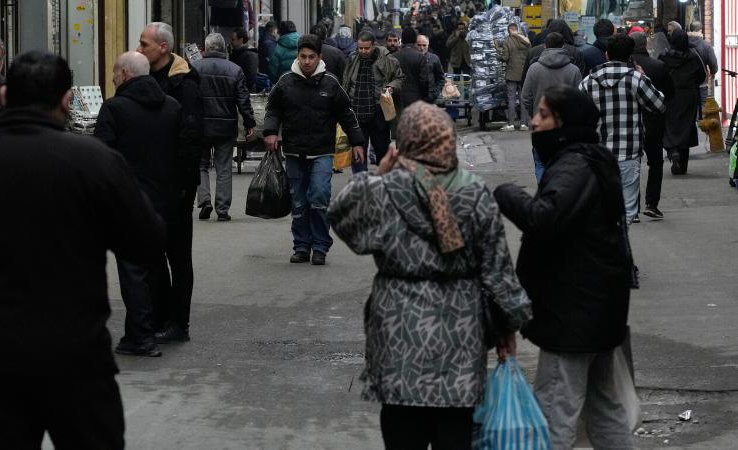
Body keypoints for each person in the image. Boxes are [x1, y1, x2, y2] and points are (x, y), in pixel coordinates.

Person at [0, 50, 165, 449]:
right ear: (66, 100)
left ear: (5, 95)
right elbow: (148, 240)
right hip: (76, 348)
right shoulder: (95, 161)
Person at [329, 101, 532, 450]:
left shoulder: (385, 189)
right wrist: (508, 329)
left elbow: (343, 219)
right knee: (454, 430)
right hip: (461, 328)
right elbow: (497, 270)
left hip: (397, 327)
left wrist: (378, 173)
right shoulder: (473, 192)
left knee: (401, 426)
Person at [493, 85, 635, 450]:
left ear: (564, 121)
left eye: (542, 114)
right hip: (598, 309)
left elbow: (544, 218)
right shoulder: (590, 158)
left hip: (574, 314)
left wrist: (507, 193)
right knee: (606, 411)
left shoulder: (574, 164)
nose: (533, 122)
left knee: (555, 413)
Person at [95, 52, 184, 357]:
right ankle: (158, 323)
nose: (113, 78)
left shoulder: (114, 108)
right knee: (157, 265)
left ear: (125, 74)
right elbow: (184, 152)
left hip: (129, 201)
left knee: (133, 269)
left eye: (115, 72)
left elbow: (102, 157)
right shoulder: (172, 107)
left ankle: (141, 335)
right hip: (167, 200)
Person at [263, 34, 364, 266]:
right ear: (297, 57)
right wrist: (270, 131)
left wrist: (357, 142)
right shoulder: (285, 82)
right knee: (298, 202)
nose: (307, 61)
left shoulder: (331, 83)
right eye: (303, 57)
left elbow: (347, 115)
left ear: (319, 57)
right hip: (294, 152)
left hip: (322, 152)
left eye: (311, 57)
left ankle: (320, 246)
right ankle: (301, 246)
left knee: (318, 197)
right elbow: (273, 109)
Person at [136, 22, 204, 343]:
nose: (139, 49)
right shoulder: (147, 77)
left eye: (144, 44)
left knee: (177, 255)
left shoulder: (184, 84)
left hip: (175, 185)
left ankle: (179, 323)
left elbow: (191, 138)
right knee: (154, 253)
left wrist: (182, 187)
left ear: (163, 48)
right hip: (152, 181)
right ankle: (161, 316)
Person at [580, 34, 665, 224]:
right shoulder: (636, 79)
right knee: (627, 212)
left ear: (607, 54)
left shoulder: (588, 81)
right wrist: (644, 76)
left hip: (597, 154)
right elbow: (659, 105)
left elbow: (574, 113)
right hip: (628, 152)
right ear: (629, 56)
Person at [192, 33, 256, 222]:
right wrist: (249, 123)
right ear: (224, 48)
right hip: (225, 127)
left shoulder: (194, 68)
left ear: (206, 48)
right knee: (224, 167)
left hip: (201, 126)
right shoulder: (235, 70)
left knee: (201, 165)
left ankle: (204, 201)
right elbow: (243, 100)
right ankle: (222, 209)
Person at [522, 32, 582, 182]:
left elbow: (525, 97)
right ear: (563, 46)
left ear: (544, 46)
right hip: (566, 126)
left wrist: (534, 113)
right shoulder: (573, 70)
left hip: (541, 125)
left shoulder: (534, 69)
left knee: (541, 163)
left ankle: (545, 194)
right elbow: (580, 98)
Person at [342, 31, 404, 173]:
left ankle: (384, 180)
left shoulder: (388, 59)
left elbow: (400, 78)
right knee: (358, 151)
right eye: (360, 48)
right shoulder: (352, 60)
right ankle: (360, 184)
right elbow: (346, 83)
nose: (363, 51)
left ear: (374, 45)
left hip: (379, 112)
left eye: (366, 48)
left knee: (382, 148)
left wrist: (391, 87)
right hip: (356, 112)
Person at [630, 32, 672, 219]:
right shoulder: (659, 66)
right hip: (654, 123)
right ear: (646, 45)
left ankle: (634, 206)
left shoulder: (627, 70)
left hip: (631, 123)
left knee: (633, 164)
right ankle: (651, 204)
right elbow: (670, 92)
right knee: (655, 163)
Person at [659, 30, 706, 176]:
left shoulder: (664, 58)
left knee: (669, 126)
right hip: (688, 96)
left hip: (669, 96)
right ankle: (683, 164)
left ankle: (672, 151)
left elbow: (659, 76)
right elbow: (701, 76)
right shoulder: (693, 57)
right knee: (686, 127)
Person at [497, 23, 531, 131]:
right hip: (524, 74)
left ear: (509, 31)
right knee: (523, 99)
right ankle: (524, 124)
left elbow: (506, 57)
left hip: (511, 74)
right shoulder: (525, 40)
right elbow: (530, 52)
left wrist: (499, 56)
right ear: (517, 29)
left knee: (511, 99)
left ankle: (511, 124)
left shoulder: (508, 41)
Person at [391, 28, 430, 110]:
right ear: (415, 40)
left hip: (397, 98)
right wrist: (424, 96)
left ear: (402, 40)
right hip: (415, 98)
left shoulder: (393, 57)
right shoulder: (420, 57)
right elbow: (424, 81)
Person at [687, 21, 718, 116]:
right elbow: (713, 64)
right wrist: (713, 72)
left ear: (690, 30)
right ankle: (702, 124)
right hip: (701, 80)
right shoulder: (706, 45)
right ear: (700, 30)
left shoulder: (683, 43)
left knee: (688, 103)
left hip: (686, 80)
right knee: (703, 102)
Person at [416, 34, 445, 103]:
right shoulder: (411, 58)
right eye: (419, 45)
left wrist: (435, 94)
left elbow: (440, 78)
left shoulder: (434, 58)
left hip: (430, 95)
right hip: (415, 95)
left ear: (428, 45)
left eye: (424, 45)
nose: (422, 48)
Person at [230, 27, 259, 92]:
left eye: (233, 39)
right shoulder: (236, 53)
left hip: (246, 93)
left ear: (241, 40)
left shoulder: (250, 55)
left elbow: (250, 79)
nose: (231, 42)